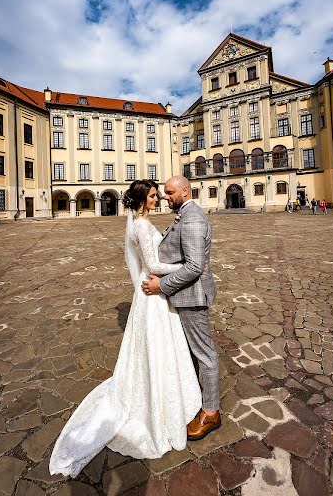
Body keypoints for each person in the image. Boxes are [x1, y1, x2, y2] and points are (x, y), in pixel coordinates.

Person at [49, 179, 202, 477]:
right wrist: (187, 266)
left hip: (149, 294)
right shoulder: (142, 227)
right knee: (159, 347)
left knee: (153, 348)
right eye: (154, 196)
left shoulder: (137, 224)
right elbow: (154, 266)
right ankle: (161, 409)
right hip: (154, 293)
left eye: (159, 195)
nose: (157, 200)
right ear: (142, 200)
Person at [142, 175, 220, 441]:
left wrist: (161, 286)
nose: (166, 196)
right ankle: (194, 398)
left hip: (192, 296)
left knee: (204, 354)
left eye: (170, 192)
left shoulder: (193, 218)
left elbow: (195, 266)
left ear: (185, 191)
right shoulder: (184, 215)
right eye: (164, 192)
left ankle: (211, 412)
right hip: (185, 295)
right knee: (191, 351)